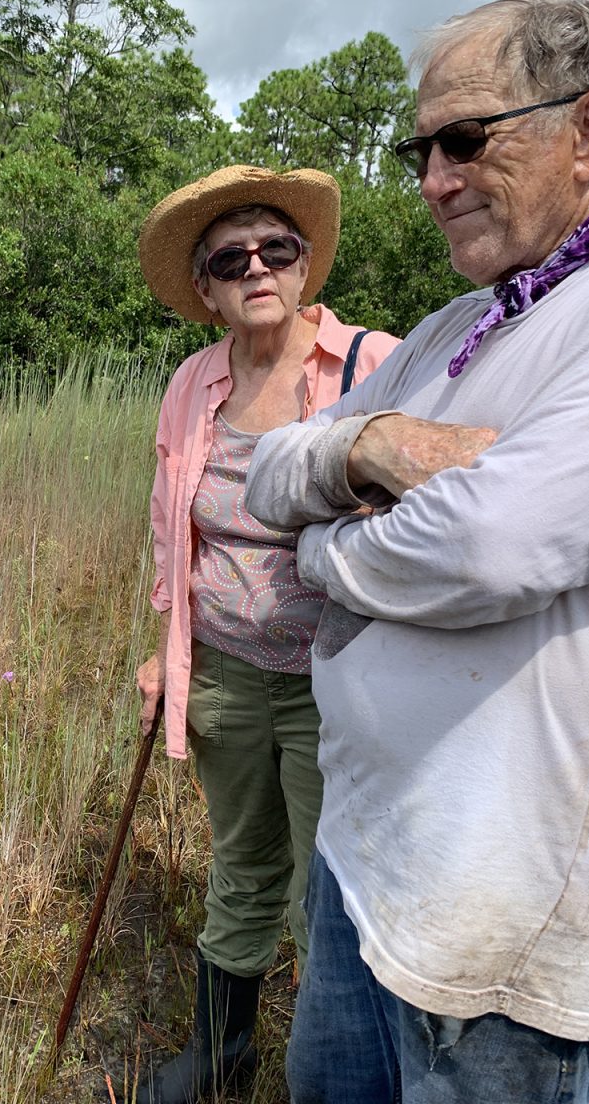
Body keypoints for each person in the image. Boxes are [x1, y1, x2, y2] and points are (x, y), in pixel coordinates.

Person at [244, 0, 589, 1104]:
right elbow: (272, 469)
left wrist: (320, 557)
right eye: (422, 148)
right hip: (366, 858)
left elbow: (490, 542)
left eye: (467, 139)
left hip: (500, 924)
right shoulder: (454, 328)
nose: (432, 179)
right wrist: (379, 439)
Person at [130, 165, 399, 1104]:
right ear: (205, 289)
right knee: (243, 859)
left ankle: (343, 1067)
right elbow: (175, 527)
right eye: (230, 258)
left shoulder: (375, 364)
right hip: (225, 675)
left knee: (331, 884)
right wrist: (165, 649)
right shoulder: (191, 383)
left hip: (345, 683)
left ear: (304, 263)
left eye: (275, 249)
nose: (256, 267)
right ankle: (223, 1054)